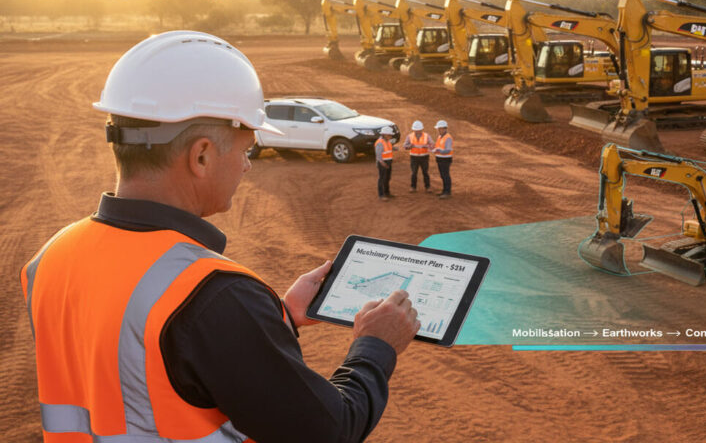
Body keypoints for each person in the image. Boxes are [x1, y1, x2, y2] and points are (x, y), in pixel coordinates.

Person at [20, 31, 420, 443]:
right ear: (202, 156)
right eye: (245, 150)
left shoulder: (50, 257)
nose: (247, 167)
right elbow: (330, 430)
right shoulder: (214, 296)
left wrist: (276, 316)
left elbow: (140, 364)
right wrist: (376, 345)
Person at [403, 120, 434, 193]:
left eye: (419, 130)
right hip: (414, 157)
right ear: (413, 129)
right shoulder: (410, 136)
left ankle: (428, 187)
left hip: (424, 157)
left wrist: (426, 146)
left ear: (422, 129)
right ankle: (413, 187)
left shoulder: (427, 136)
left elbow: (432, 144)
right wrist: (409, 146)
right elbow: (405, 146)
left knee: (425, 172)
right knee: (414, 173)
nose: (417, 131)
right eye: (416, 130)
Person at [432, 120, 454, 199]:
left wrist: (438, 150)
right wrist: (434, 148)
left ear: (444, 129)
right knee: (442, 175)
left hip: (445, 159)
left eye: (439, 129)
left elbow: (448, 150)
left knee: (445, 175)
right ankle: (444, 190)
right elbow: (438, 145)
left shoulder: (448, 138)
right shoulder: (440, 137)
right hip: (440, 158)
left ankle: (447, 192)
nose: (438, 130)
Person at [375, 127, 395, 201]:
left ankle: (387, 193)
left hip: (388, 162)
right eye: (389, 135)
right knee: (382, 179)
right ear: (384, 134)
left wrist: (395, 148)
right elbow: (378, 155)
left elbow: (388, 149)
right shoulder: (380, 143)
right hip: (383, 163)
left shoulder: (387, 141)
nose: (390, 136)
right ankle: (381, 195)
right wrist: (382, 163)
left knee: (387, 178)